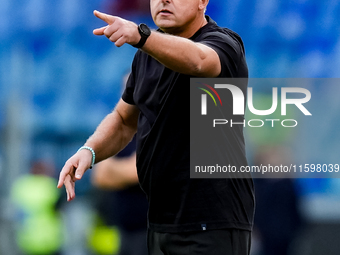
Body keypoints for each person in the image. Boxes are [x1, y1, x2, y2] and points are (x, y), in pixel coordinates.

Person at [58, 0, 254, 254]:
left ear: (203, 2)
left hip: (212, 222)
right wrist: (89, 150)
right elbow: (123, 119)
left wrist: (140, 36)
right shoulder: (146, 55)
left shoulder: (224, 44)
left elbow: (198, 60)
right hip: (162, 222)